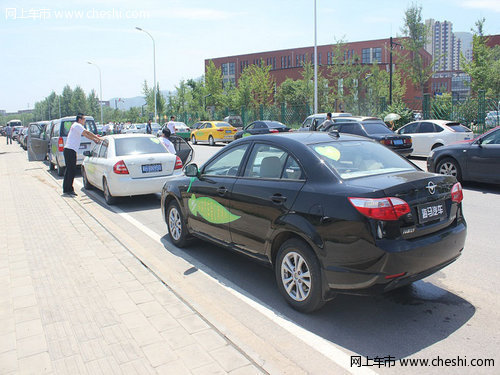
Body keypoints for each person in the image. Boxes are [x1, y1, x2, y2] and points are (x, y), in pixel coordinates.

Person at [63, 113, 101, 196]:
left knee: (70, 170)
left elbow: (86, 135)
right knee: (71, 170)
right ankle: (68, 189)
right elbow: (87, 132)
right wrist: (98, 138)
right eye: (84, 119)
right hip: (70, 150)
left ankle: (67, 188)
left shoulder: (77, 126)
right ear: (79, 119)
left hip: (70, 150)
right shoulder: (77, 125)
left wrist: (94, 139)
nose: (84, 121)